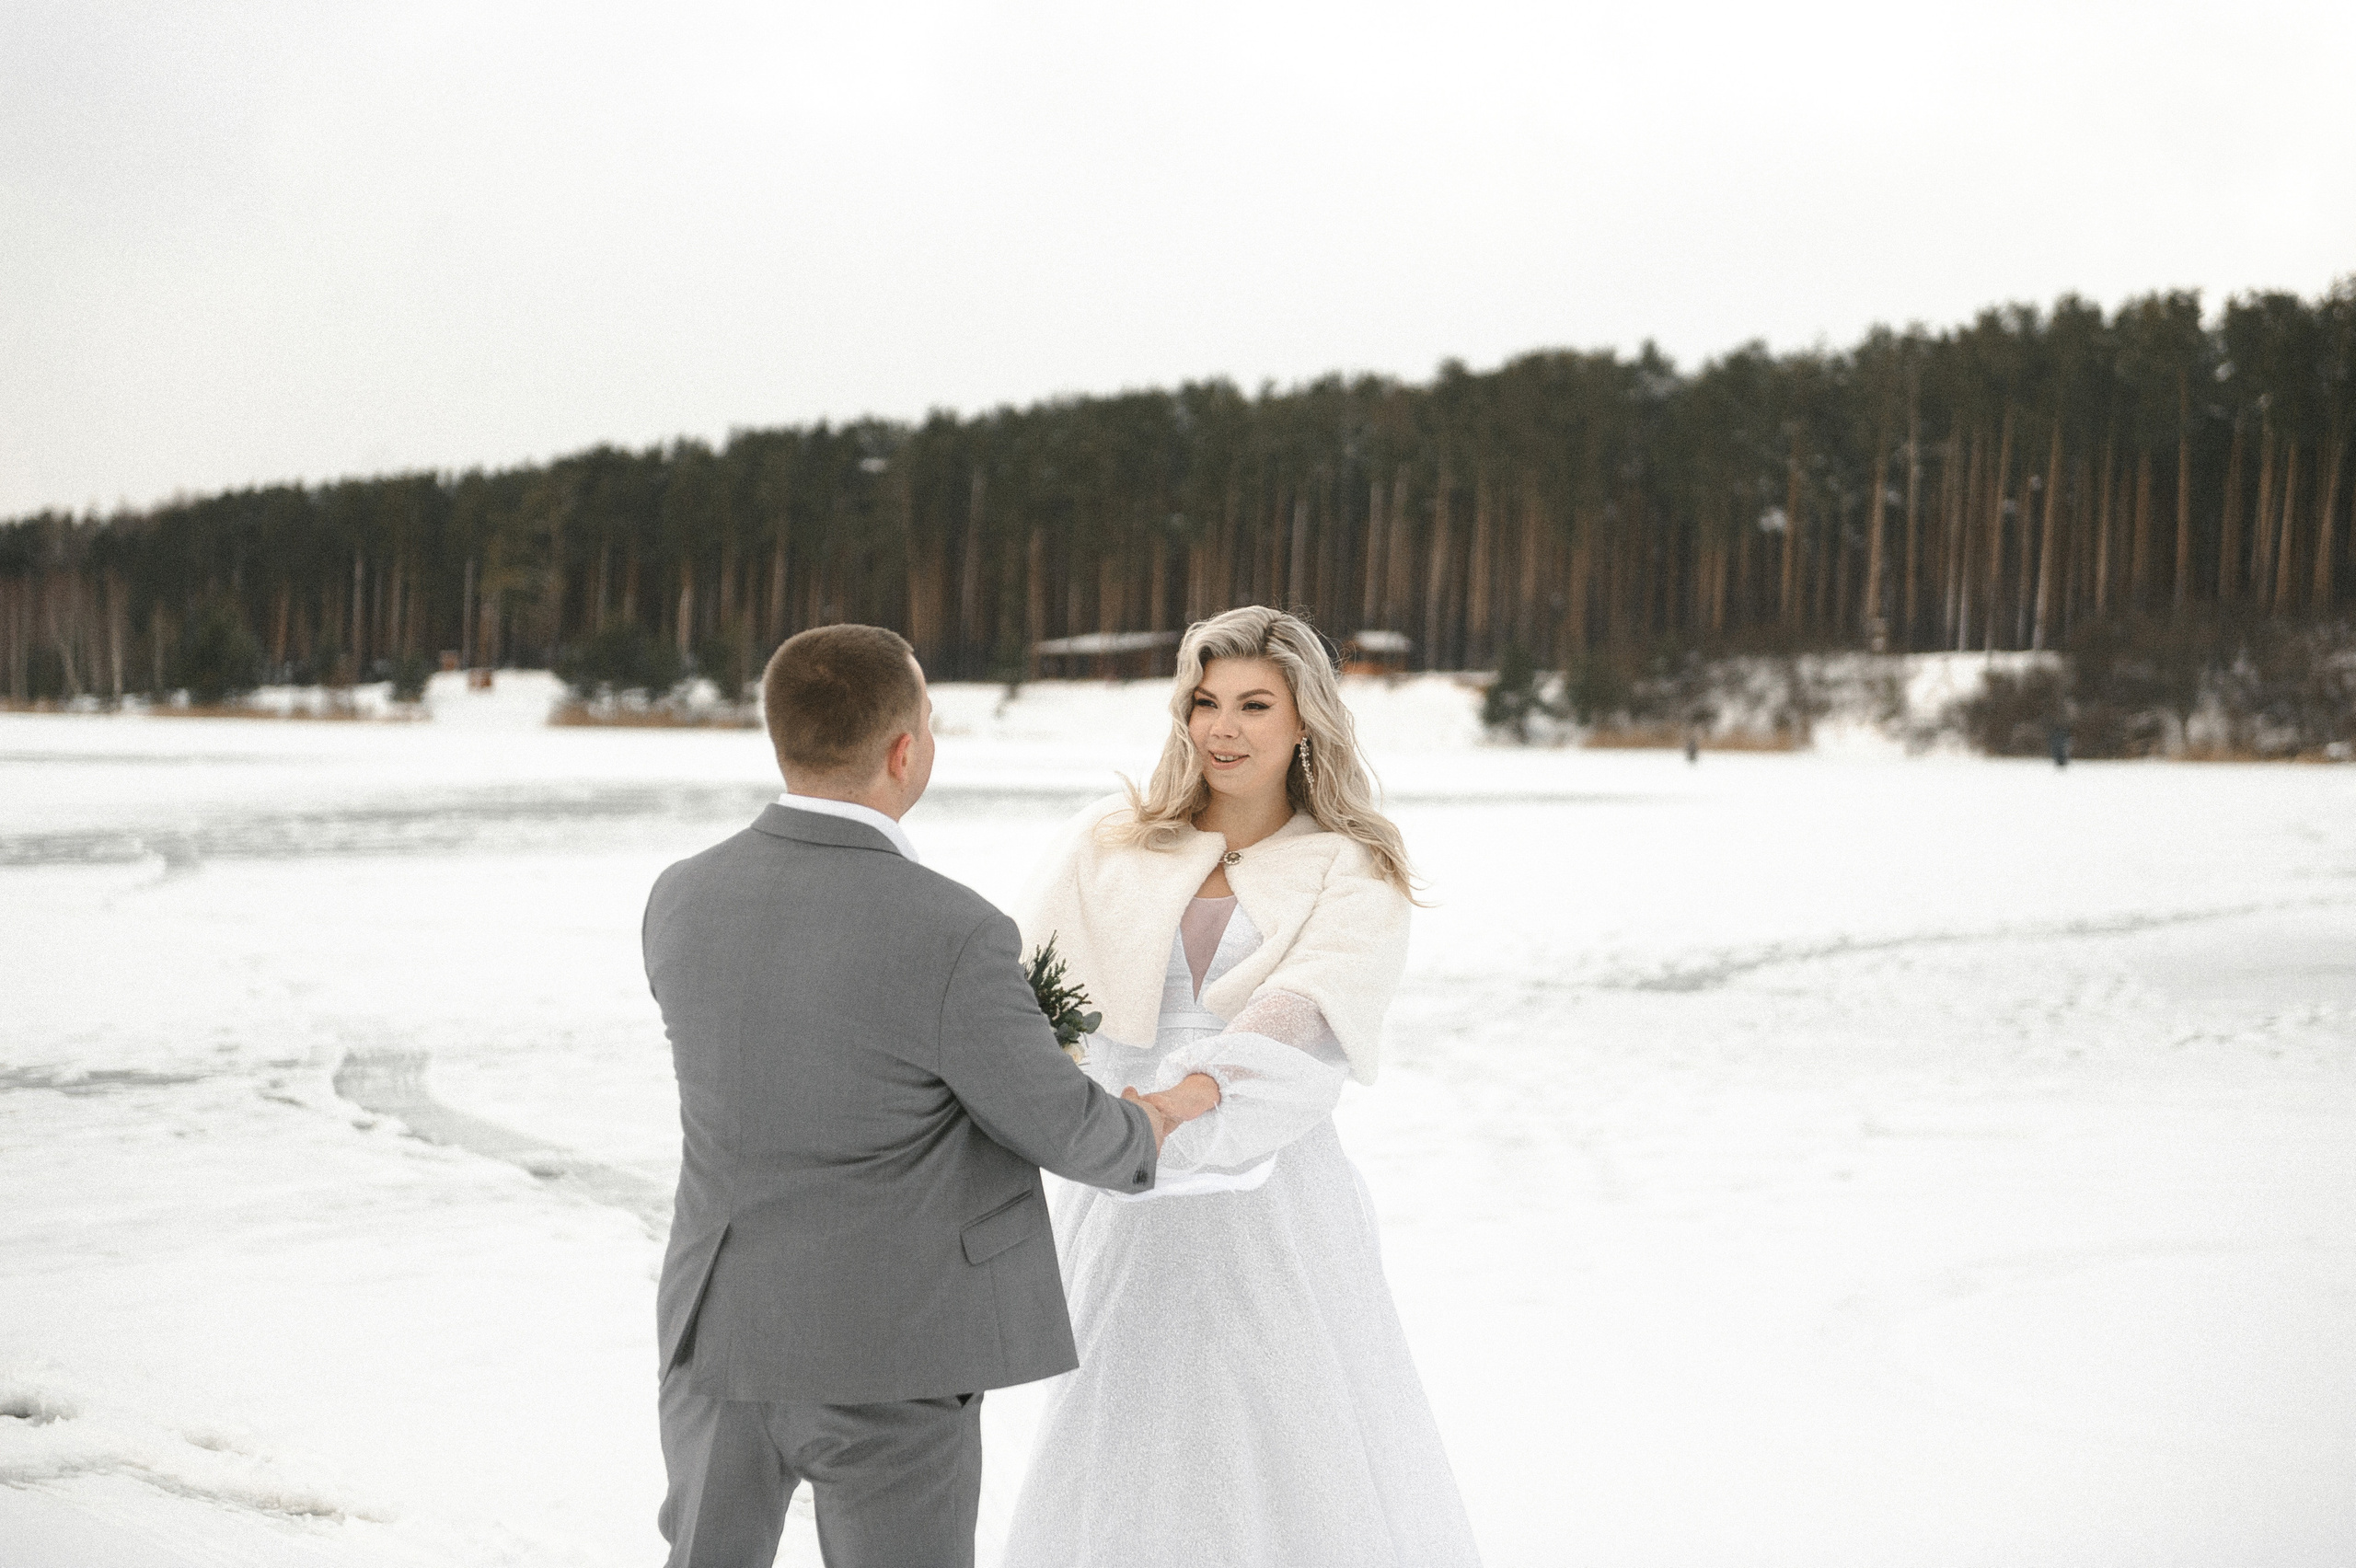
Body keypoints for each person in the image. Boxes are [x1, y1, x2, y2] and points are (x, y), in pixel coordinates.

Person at [641, 624, 1172, 1568]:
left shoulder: (680, 897)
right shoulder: (954, 932)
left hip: (716, 1332)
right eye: (928, 720)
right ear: (902, 749)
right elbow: (1061, 1126)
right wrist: (1159, 1117)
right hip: (888, 1352)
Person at [1001, 605, 1483, 1568]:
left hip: (1274, 1196)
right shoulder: (1108, 843)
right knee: (1120, 1419)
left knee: (1286, 1422)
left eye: (1254, 705)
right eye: (1204, 702)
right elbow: (1031, 1002)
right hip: (1119, 1182)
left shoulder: (1352, 865)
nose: (1222, 728)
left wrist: (1185, 1102)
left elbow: (1302, 1015)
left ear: (1306, 719)